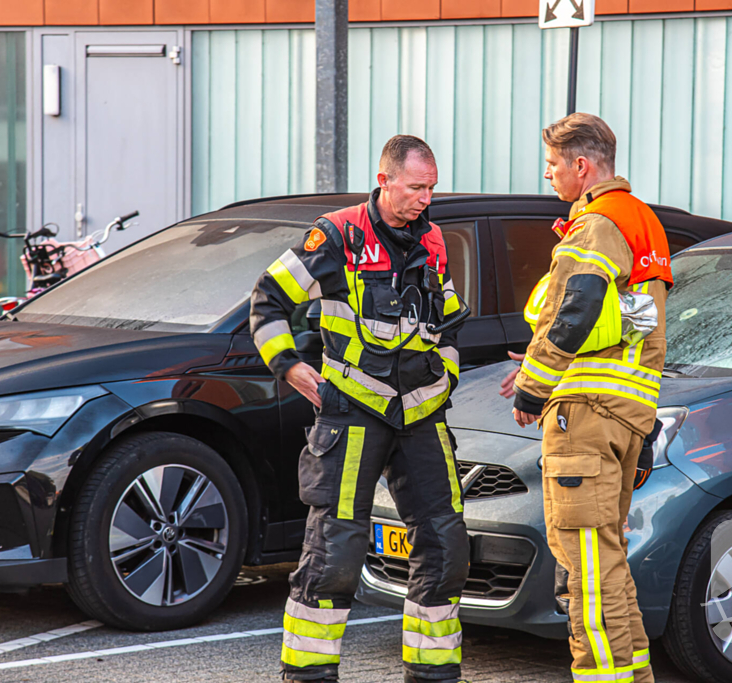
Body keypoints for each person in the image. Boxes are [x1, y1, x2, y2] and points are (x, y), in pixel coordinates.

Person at [250, 135, 471, 683]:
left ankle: (434, 674)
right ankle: (308, 675)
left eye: (432, 188)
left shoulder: (434, 239)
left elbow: (445, 317)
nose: (426, 198)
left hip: (421, 414)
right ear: (385, 181)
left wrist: (446, 375)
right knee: (334, 552)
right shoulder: (337, 234)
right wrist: (291, 367)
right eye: (417, 187)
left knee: (446, 545)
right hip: (351, 412)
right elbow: (268, 299)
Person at [499, 113, 672, 683]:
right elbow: (634, 328)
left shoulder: (597, 223)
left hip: (584, 416)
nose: (548, 176)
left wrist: (532, 382)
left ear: (582, 166)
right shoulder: (643, 219)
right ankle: (632, 675)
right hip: (625, 413)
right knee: (609, 564)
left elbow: (572, 308)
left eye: (553, 166)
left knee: (586, 573)